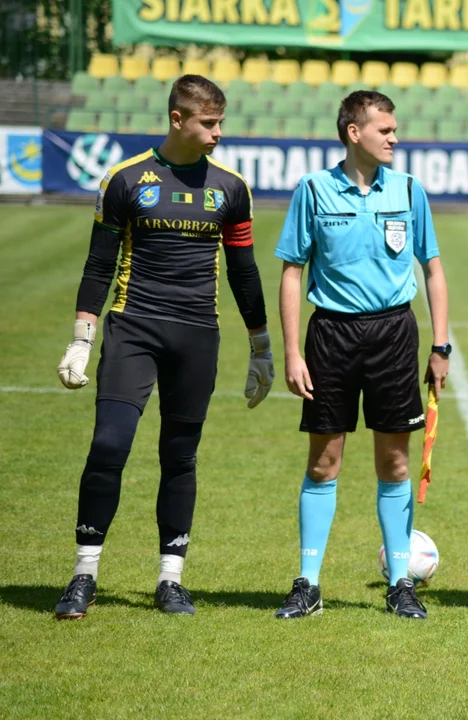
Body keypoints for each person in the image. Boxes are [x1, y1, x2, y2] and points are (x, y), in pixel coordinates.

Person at [54, 75, 274, 619]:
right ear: (178, 119)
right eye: (209, 122)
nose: (219, 132)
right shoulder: (125, 179)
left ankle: (170, 580)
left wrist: (260, 346)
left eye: (221, 121)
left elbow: (244, 273)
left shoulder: (231, 187)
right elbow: (99, 265)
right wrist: (82, 338)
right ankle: (84, 574)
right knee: (110, 445)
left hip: (198, 335)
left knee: (180, 456)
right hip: (134, 329)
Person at [272, 90, 449, 621]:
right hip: (330, 335)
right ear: (355, 133)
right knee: (324, 462)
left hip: (395, 333)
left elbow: (433, 270)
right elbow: (290, 271)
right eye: (386, 129)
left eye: (395, 129)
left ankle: (400, 584)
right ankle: (308, 583)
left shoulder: (410, 189)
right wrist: (291, 351)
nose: (395, 138)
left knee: (394, 461)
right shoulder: (312, 190)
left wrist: (441, 345)